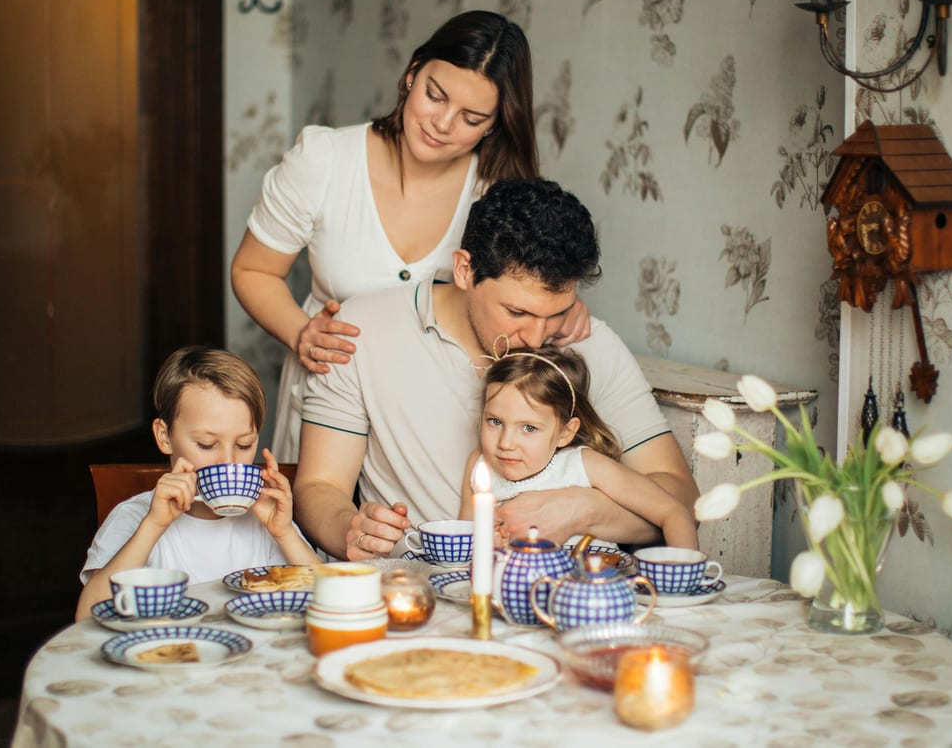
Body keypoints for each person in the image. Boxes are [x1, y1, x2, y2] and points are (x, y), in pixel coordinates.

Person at [230, 10, 588, 465]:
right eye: (434, 96)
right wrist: (302, 333)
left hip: (436, 427)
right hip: (330, 407)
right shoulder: (324, 162)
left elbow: (530, 283)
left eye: (471, 117)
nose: (443, 123)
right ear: (412, 73)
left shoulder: (497, 191)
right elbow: (252, 269)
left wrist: (561, 307)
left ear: (495, 124)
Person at [292, 178, 700, 561]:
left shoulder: (591, 343)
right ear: (465, 270)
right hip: (422, 588)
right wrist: (350, 527)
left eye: (556, 313)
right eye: (517, 311)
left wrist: (583, 510)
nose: (538, 338)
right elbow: (319, 486)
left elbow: (678, 498)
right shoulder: (360, 329)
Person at [75, 347, 318, 621]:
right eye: (206, 444)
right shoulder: (135, 517)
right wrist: (154, 525)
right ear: (165, 437)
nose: (229, 462)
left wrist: (286, 534)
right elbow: (87, 618)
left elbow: (335, 599)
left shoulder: (268, 524)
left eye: (244, 444)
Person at [458, 347, 696, 550]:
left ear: (565, 433)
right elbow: (465, 544)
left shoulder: (585, 466)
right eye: (495, 422)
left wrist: (680, 581)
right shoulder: (479, 466)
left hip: (591, 593)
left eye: (529, 428)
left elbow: (673, 512)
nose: (505, 443)